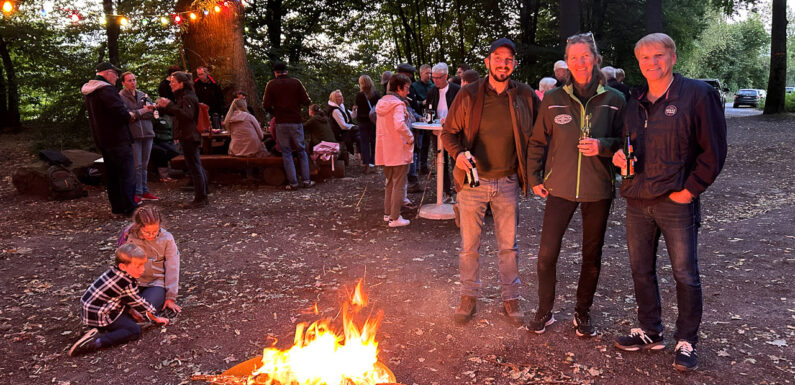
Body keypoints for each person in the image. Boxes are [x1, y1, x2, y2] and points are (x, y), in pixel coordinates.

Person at [611, 33, 727, 372]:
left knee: (685, 274)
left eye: (658, 55)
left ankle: (687, 340)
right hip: (637, 199)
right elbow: (628, 144)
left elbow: (714, 151)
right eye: (645, 58)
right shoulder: (634, 100)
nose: (652, 63)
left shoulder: (697, 94)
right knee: (641, 270)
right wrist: (619, 157)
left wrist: (690, 190)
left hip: (676, 201)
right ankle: (650, 330)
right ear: (638, 63)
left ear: (673, 57)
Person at [525, 33, 625, 337]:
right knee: (547, 254)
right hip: (560, 186)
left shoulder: (615, 99)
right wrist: (534, 178)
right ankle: (544, 310)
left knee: (591, 256)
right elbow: (537, 141)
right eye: (573, 57)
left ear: (595, 59)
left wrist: (603, 146)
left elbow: (626, 142)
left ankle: (582, 312)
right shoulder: (553, 99)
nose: (580, 62)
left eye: (585, 56)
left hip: (598, 188)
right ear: (566, 62)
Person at [441, 38, 540, 325]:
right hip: (473, 182)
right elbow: (448, 133)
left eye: (508, 60)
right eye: (497, 58)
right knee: (469, 246)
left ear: (514, 64)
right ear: (487, 62)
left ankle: (511, 298)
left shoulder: (524, 95)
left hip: (508, 181)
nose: (502, 64)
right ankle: (468, 296)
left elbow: (540, 134)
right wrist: (459, 154)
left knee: (508, 246)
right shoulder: (469, 94)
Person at [67, 243, 169, 356]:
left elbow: (121, 297)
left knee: (130, 318)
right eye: (138, 266)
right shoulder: (126, 282)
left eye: (143, 265)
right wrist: (155, 317)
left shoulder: (114, 272)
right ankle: (95, 342)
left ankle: (97, 330)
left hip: (92, 310)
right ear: (123, 266)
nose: (143, 269)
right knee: (133, 331)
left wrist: (130, 310)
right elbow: (139, 303)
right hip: (100, 314)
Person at [81, 62, 137, 217]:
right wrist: (130, 115)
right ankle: (130, 208)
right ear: (107, 73)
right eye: (115, 74)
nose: (117, 77)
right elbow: (119, 113)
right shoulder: (106, 90)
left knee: (113, 175)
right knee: (126, 174)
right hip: (118, 138)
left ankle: (117, 207)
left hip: (103, 139)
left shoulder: (91, 91)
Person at [157, 71, 209, 208]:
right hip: (188, 135)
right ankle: (203, 195)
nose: (170, 84)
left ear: (181, 84)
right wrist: (162, 108)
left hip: (189, 136)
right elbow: (178, 113)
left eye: (173, 82)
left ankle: (201, 198)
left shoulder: (187, 97)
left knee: (194, 166)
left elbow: (187, 115)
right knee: (195, 165)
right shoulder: (183, 96)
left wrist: (169, 105)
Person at [262, 61, 315, 190]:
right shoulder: (296, 83)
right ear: (286, 71)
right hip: (295, 121)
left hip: (281, 122)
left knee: (286, 152)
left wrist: (275, 112)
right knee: (301, 150)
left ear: (275, 73)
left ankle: (293, 183)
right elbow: (306, 101)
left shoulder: (271, 85)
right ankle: (306, 180)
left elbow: (266, 105)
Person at [120, 206, 182, 315]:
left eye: (155, 231)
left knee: (144, 310)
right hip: (133, 282)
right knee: (117, 308)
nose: (151, 235)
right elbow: (122, 263)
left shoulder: (167, 239)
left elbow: (173, 267)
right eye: (147, 232)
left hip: (156, 282)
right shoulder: (129, 236)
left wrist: (171, 297)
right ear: (139, 227)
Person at [375, 73, 414, 228]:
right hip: (398, 149)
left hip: (385, 149)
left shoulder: (381, 103)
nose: (408, 92)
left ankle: (388, 214)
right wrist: (410, 137)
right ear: (399, 88)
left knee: (390, 182)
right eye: (407, 88)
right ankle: (395, 217)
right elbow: (399, 124)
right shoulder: (398, 105)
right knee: (398, 183)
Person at [119, 72, 159, 203]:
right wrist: (142, 111)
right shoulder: (120, 97)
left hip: (147, 133)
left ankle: (145, 190)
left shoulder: (143, 95)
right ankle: (137, 192)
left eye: (134, 80)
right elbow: (126, 116)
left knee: (145, 165)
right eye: (129, 80)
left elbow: (152, 113)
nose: (133, 82)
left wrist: (136, 114)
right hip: (133, 135)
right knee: (137, 165)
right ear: (123, 83)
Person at [425, 62, 460, 201]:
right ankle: (446, 192)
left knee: (456, 161)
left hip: (454, 132)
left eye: (438, 77)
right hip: (437, 131)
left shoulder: (457, 90)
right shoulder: (432, 91)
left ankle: (459, 191)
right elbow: (429, 109)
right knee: (440, 161)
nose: (435, 80)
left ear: (445, 76)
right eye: (433, 77)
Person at [395, 63, 423, 193]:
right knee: (410, 154)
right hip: (405, 133)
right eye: (409, 74)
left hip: (411, 127)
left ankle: (412, 181)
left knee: (414, 153)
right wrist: (410, 137)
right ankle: (410, 182)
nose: (411, 76)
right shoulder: (396, 96)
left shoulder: (407, 89)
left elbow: (411, 108)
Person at [355, 75, 381, 174]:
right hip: (374, 122)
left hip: (363, 122)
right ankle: (375, 165)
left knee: (364, 143)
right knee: (374, 143)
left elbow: (359, 109)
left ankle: (366, 165)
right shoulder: (376, 94)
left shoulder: (359, 95)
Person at [327, 89, 360, 161]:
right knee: (359, 135)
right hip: (340, 133)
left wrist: (354, 110)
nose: (342, 98)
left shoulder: (341, 106)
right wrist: (354, 126)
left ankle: (359, 155)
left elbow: (352, 116)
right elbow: (343, 126)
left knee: (360, 134)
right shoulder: (335, 110)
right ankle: (359, 156)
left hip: (346, 130)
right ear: (335, 99)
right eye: (339, 96)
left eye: (341, 96)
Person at [413, 65, 433, 174]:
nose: (429, 75)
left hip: (430, 117)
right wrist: (422, 103)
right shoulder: (414, 86)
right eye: (427, 73)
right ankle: (416, 166)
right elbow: (412, 102)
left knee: (426, 142)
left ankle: (424, 165)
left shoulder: (433, 85)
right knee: (418, 143)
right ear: (421, 73)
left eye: (430, 73)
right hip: (418, 118)